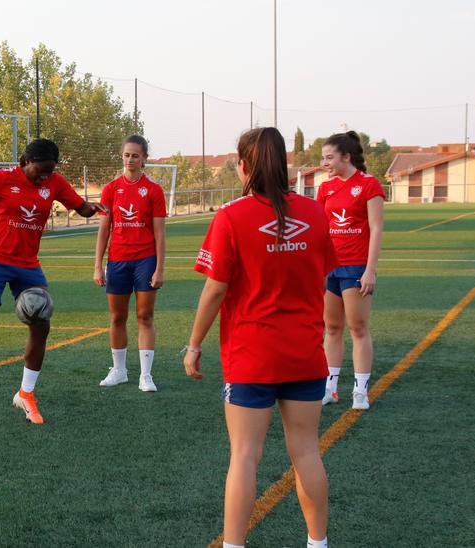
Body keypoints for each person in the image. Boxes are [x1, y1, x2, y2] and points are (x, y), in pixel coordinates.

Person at [183, 127, 336, 548]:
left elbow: (215, 289)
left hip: (252, 356)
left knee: (245, 457)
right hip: (305, 352)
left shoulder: (231, 216)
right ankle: (318, 543)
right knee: (306, 451)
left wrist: (194, 345)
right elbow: (321, 275)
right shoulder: (316, 212)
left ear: (243, 164)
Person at [0, 138, 106, 424]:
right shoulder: (4, 178)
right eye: (41, 171)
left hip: (28, 264)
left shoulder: (54, 182)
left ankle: (26, 393)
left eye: (50, 171)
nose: (45, 176)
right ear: (25, 162)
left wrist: (94, 208)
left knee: (41, 321)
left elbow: (79, 206)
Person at [316, 131, 385, 410]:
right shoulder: (325, 188)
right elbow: (321, 230)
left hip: (356, 266)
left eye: (329, 157)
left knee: (358, 328)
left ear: (346, 157)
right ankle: (330, 388)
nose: (325, 163)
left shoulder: (368, 185)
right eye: (323, 158)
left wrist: (371, 270)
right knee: (331, 328)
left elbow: (377, 228)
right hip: (330, 267)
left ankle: (360, 391)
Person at [94, 134, 167, 392]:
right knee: (117, 317)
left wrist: (159, 268)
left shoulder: (154, 191)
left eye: (136, 155)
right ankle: (119, 370)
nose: (130, 160)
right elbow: (104, 230)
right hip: (117, 261)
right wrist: (97, 265)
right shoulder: (111, 189)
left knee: (144, 316)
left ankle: (145, 375)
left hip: (145, 260)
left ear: (144, 158)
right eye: (127, 155)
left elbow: (159, 233)